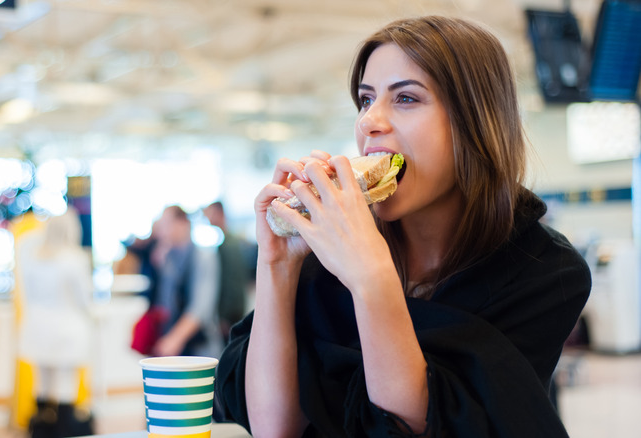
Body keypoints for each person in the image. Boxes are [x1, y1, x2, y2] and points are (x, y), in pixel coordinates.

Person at [215, 16, 591, 437]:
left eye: (406, 98)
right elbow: (274, 429)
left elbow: (424, 426)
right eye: (365, 99)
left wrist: (372, 279)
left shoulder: (545, 270)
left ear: (475, 122)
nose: (368, 121)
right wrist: (278, 265)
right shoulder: (326, 243)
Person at [17, 208, 95, 438]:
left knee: (42, 380)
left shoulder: (32, 257)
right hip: (67, 329)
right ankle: (65, 429)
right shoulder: (75, 259)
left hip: (37, 327)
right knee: (65, 381)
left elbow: (27, 294)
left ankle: (41, 428)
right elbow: (84, 299)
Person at [150, 205, 223, 358]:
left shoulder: (204, 257)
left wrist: (175, 339)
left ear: (182, 223)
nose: (162, 231)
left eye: (166, 224)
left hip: (200, 346)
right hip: (175, 345)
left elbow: (201, 308)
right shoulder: (169, 258)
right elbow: (165, 303)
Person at [203, 201, 252, 341]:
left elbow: (232, 282)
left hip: (231, 315)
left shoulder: (229, 244)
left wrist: (226, 316)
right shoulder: (229, 241)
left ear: (220, 213)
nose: (208, 218)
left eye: (210, 214)